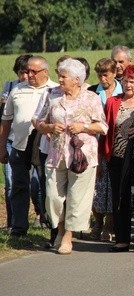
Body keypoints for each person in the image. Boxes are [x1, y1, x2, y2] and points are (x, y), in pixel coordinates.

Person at [35, 59, 107, 254]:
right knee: (53, 197)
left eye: (63, 76)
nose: (59, 79)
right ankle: (59, 229)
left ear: (76, 79)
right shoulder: (52, 95)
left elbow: (103, 126)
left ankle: (67, 236)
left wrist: (83, 127)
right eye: (59, 75)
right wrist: (49, 127)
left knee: (77, 198)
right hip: (56, 153)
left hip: (82, 155)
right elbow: (38, 120)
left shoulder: (91, 98)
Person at [0, 56, 58, 237]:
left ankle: (51, 224)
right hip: (19, 145)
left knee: (46, 186)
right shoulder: (17, 89)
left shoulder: (55, 90)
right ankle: (18, 227)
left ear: (45, 72)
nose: (29, 75)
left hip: (44, 147)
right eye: (27, 71)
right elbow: (6, 120)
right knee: (18, 186)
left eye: (34, 71)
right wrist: (2, 147)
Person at [99, 65, 134, 252]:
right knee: (120, 197)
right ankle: (122, 238)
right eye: (126, 80)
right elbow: (105, 131)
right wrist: (102, 156)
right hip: (117, 157)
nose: (128, 84)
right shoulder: (113, 102)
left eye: (132, 81)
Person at [87, 58, 123, 242]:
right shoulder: (92, 92)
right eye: (99, 75)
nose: (102, 79)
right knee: (97, 187)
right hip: (95, 145)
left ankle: (109, 226)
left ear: (115, 73)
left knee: (114, 187)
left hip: (117, 144)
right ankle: (98, 222)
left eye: (106, 75)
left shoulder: (123, 91)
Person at [0, 54, 32, 229]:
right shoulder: (10, 87)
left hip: (31, 143)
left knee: (35, 184)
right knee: (11, 183)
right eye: (22, 72)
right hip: (11, 141)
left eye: (28, 72)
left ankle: (41, 216)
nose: (25, 77)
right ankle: (13, 222)